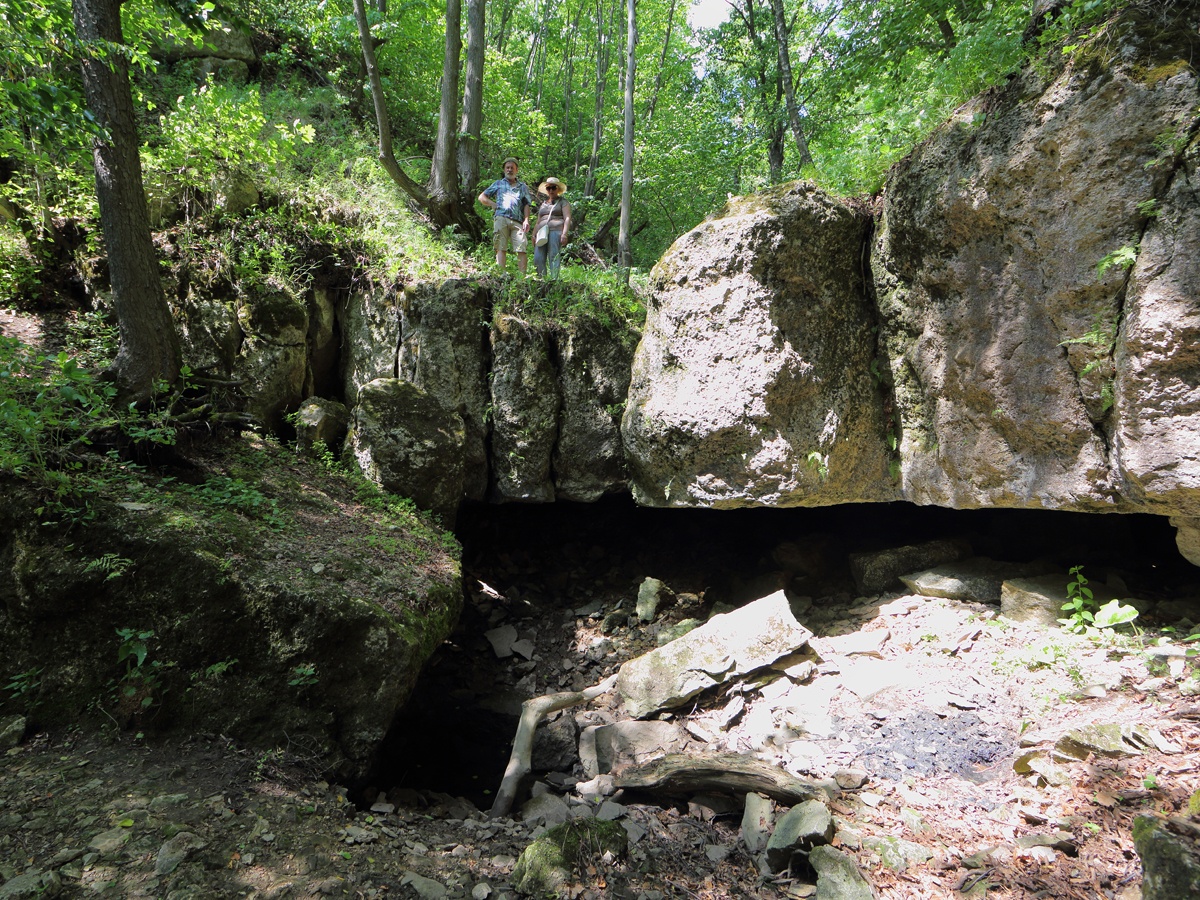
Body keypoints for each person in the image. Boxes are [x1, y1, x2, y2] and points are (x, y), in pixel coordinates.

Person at [478, 158, 532, 274]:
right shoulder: (498, 184)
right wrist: (493, 204)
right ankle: (500, 275)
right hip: (501, 218)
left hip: (517, 221)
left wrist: (526, 220)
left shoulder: (522, 187)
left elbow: (527, 204)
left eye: (512, 167)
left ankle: (522, 278)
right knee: (500, 246)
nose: (509, 170)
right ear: (504, 169)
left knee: (521, 247)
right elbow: (482, 197)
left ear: (517, 170)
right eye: (507, 167)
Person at [532, 176, 572, 280]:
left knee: (554, 255)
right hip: (541, 232)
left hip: (556, 230)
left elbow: (567, 217)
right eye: (548, 188)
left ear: (558, 189)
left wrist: (564, 233)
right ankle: (541, 280)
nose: (551, 190)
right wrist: (533, 234)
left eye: (553, 188)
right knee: (538, 258)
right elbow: (538, 220)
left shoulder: (563, 202)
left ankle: (554, 280)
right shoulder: (544, 204)